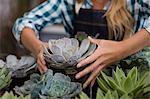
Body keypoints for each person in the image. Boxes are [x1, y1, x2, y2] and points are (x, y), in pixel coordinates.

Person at [13, 0, 150, 88]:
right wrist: (38, 48)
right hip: (79, 81)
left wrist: (123, 48)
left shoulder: (135, 2)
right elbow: (23, 24)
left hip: (123, 82)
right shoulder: (69, 2)